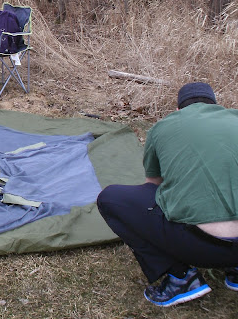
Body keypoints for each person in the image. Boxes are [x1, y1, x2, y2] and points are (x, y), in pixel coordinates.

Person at [97, 82, 238, 307]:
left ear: (178, 109)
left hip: (202, 247)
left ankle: (181, 277)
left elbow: (153, 185)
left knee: (111, 198)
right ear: (215, 105)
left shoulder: (163, 127)